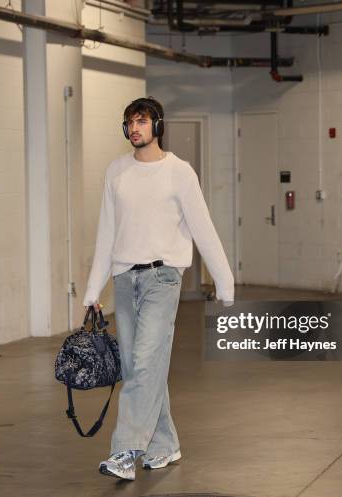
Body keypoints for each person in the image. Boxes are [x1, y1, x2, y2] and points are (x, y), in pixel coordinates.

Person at [83, 96, 234, 481]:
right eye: (129, 122)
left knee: (147, 362)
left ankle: (124, 451)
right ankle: (164, 444)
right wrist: (91, 292)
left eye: (141, 121)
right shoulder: (116, 172)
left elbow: (203, 228)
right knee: (138, 366)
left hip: (163, 278)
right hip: (123, 277)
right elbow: (105, 234)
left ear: (157, 126)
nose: (135, 128)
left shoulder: (180, 173)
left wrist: (224, 280)